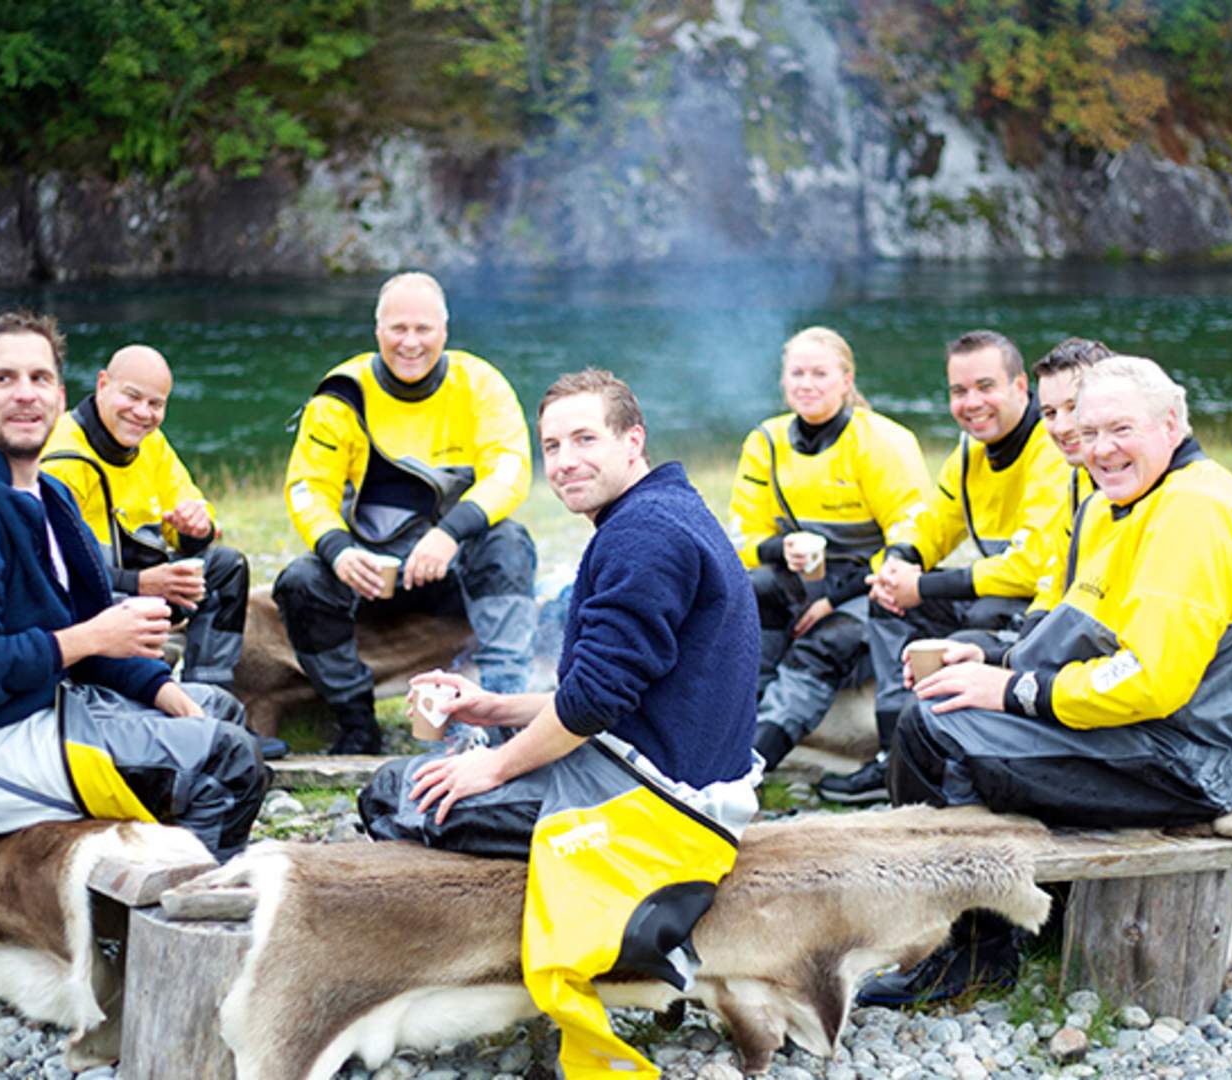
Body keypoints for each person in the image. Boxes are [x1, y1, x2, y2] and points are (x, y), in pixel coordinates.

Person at [359, 370, 760, 1080]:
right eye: (552, 446)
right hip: (657, 762)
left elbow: (595, 702)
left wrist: (493, 764)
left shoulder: (644, 537)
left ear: (632, 441)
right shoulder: (662, 510)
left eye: (585, 439)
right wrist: (493, 707)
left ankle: (491, 962)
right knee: (445, 772)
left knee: (399, 793)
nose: (566, 461)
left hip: (656, 806)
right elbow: (616, 689)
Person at [860, 354, 1232, 1006]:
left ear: (1171, 423)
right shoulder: (1115, 504)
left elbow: (1150, 680)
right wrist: (989, 656)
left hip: (1184, 756)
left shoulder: (1195, 510)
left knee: (935, 732)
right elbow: (1070, 631)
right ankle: (1006, 916)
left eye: (1120, 430)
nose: (1099, 449)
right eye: (1088, 433)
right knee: (940, 702)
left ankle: (973, 956)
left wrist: (1011, 692)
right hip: (1136, 732)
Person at [0, 312, 265, 861]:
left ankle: (152, 854)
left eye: (39, 378)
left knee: (219, 711)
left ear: (59, 398)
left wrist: (160, 689)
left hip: (54, 703)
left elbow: (90, 628)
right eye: (3, 379)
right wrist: (93, 637)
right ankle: (180, 901)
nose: (25, 394)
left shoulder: (50, 498)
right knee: (229, 761)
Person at [274, 271, 537, 753]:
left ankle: (504, 712)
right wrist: (338, 551)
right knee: (299, 582)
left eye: (423, 329)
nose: (410, 342)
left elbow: (511, 471)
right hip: (370, 575)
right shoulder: (341, 393)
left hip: (452, 572)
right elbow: (308, 487)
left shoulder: (480, 384)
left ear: (444, 330)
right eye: (398, 328)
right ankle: (356, 721)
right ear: (378, 331)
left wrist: (449, 533)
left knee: (509, 542)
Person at [817, 329, 1070, 804]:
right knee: (890, 604)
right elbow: (934, 521)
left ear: (1020, 386)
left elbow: (1032, 566)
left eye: (985, 386)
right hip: (1000, 593)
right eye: (959, 391)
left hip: (1045, 609)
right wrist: (899, 563)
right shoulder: (971, 451)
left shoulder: (1051, 448)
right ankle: (894, 754)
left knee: (976, 617)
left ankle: (958, 761)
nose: (972, 403)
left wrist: (924, 586)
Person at [727, 327, 929, 771]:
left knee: (823, 644)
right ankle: (730, 730)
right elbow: (742, 539)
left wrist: (833, 599)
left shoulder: (884, 442)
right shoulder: (766, 442)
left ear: (846, 380)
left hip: (867, 588)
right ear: (783, 380)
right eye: (797, 373)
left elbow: (914, 541)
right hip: (802, 581)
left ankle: (751, 765)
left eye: (820, 374)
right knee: (746, 596)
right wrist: (782, 549)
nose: (807, 384)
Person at [41, 344, 252, 693]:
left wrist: (195, 528)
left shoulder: (151, 442)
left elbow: (195, 519)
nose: (142, 413)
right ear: (103, 384)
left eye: (156, 404)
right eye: (132, 396)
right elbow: (51, 567)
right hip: (90, 602)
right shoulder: (64, 458)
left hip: (147, 584)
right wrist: (138, 583)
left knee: (226, 567)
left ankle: (211, 694)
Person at [943, 336, 1113, 665]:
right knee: (960, 653)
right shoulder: (1080, 480)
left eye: (1074, 408)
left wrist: (1016, 671)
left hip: (1122, 668)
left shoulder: (1167, 494)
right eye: (1050, 412)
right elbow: (1054, 580)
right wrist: (1016, 653)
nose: (1062, 426)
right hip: (1081, 638)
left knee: (979, 629)